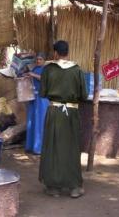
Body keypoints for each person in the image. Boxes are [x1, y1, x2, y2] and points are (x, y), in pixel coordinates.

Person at [39, 40, 88, 198]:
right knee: (72, 148)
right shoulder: (77, 70)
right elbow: (84, 95)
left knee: (53, 147)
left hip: (54, 111)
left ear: (55, 53)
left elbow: (43, 93)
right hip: (71, 113)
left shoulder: (48, 70)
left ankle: (53, 187)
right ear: (67, 52)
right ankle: (74, 187)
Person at [24, 52, 49, 154]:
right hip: (33, 98)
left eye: (40, 59)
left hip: (42, 99)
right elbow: (32, 79)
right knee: (31, 121)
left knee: (40, 122)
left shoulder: (46, 70)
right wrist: (27, 76)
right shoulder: (34, 69)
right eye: (37, 59)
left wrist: (33, 75)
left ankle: (39, 148)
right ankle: (31, 146)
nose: (38, 61)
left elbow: (44, 79)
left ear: (44, 60)